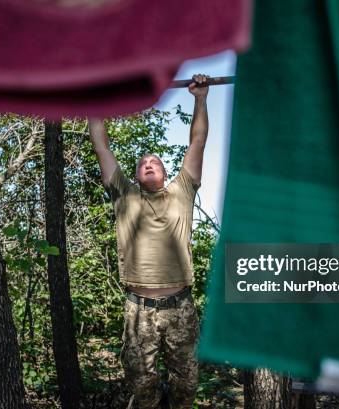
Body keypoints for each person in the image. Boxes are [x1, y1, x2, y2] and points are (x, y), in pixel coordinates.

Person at [88, 74, 210, 408]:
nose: (148, 163)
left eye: (154, 161)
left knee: (187, 387)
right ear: (136, 174)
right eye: (142, 163)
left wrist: (200, 98)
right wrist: (95, 102)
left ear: (166, 171)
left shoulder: (182, 191)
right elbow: (101, 143)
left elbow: (197, 142)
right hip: (138, 310)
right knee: (142, 390)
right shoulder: (124, 195)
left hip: (180, 308)